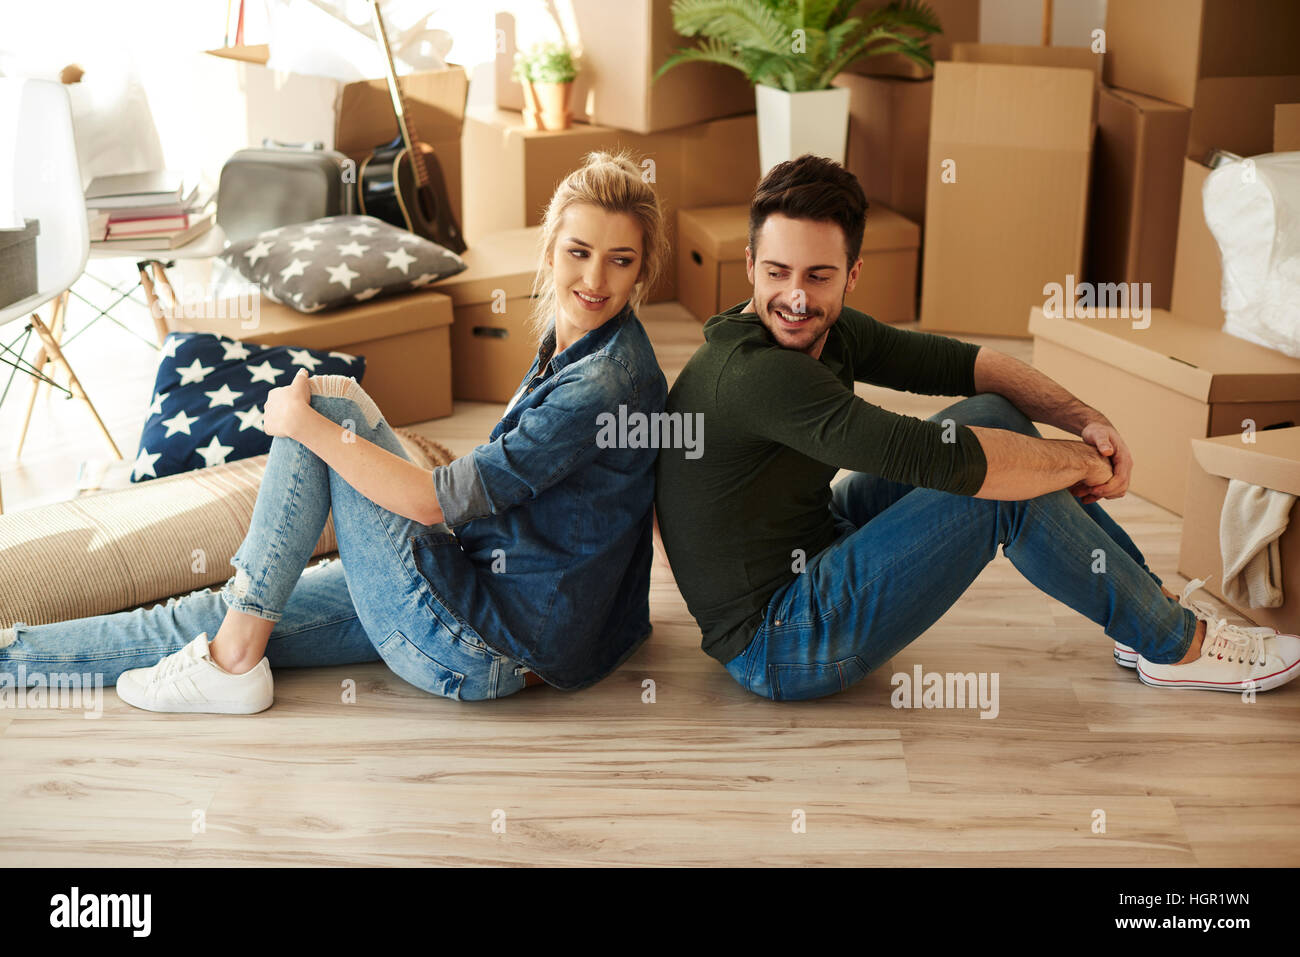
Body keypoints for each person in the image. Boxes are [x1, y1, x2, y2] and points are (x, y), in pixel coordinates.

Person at [0, 150, 669, 712]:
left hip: (480, 642)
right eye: (579, 252)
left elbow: (434, 501)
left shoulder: (604, 381)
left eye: (620, 261)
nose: (594, 278)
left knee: (325, 410)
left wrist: (302, 427)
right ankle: (18, 657)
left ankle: (234, 660)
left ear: (643, 269)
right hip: (471, 587)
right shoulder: (577, 338)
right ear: (551, 247)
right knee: (231, 606)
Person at [654, 154, 1300, 701]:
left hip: (819, 538)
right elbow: (933, 458)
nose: (795, 296)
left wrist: (1086, 420)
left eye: (818, 275)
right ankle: (1173, 642)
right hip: (779, 638)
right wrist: (1080, 461)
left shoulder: (828, 328)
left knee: (992, 416)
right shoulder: (759, 373)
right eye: (776, 272)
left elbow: (966, 365)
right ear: (749, 264)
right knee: (991, 495)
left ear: (851, 274)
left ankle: (1147, 608)